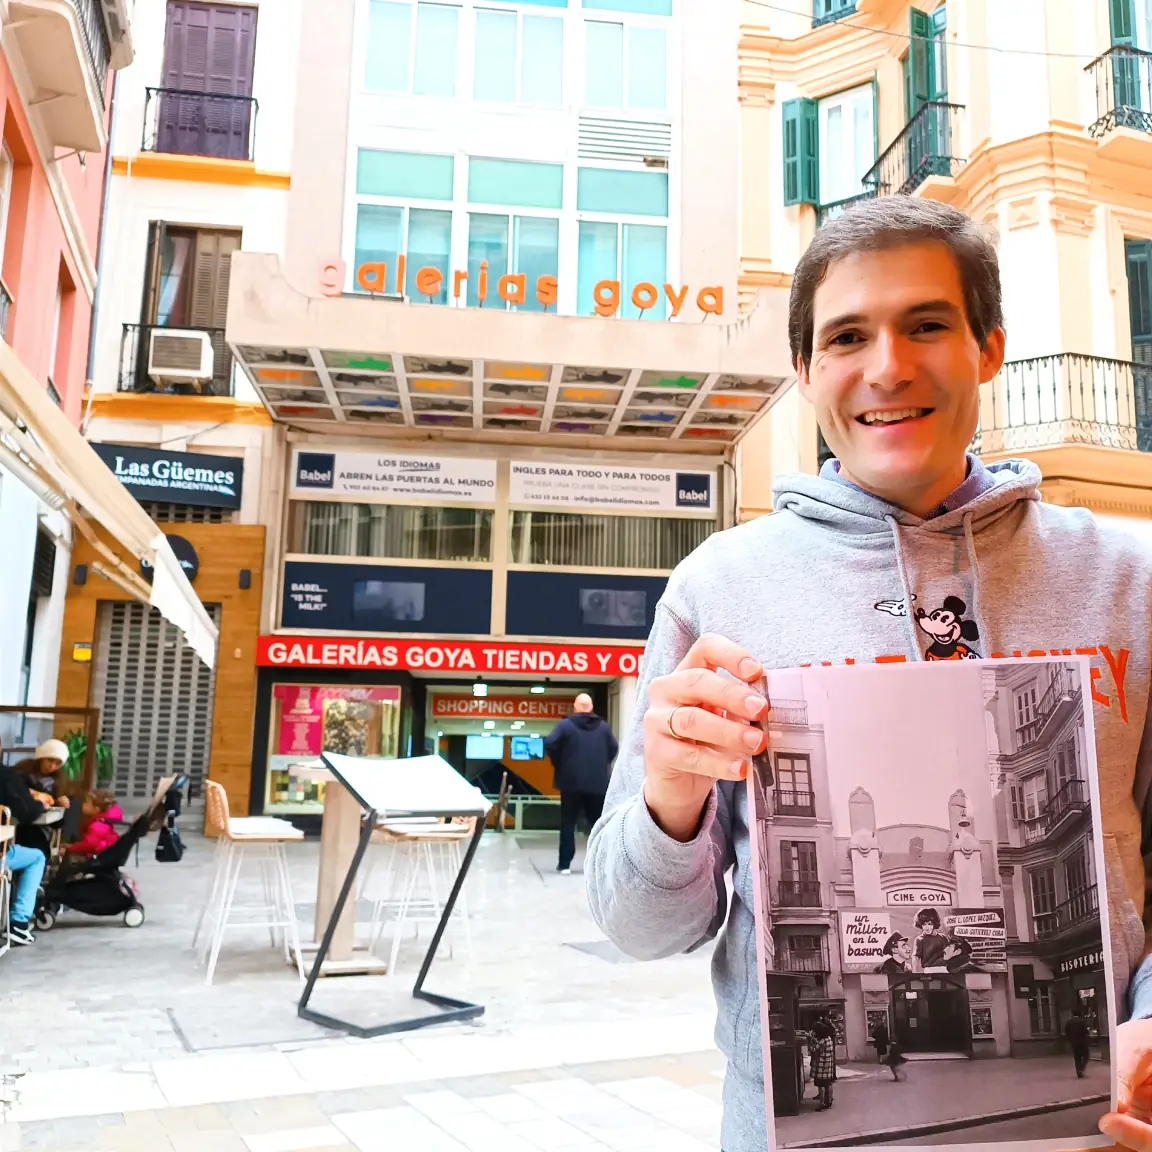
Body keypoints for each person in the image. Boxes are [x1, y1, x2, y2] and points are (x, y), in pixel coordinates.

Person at [582, 197, 1152, 1152]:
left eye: (927, 323)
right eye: (848, 336)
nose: (888, 366)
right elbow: (638, 929)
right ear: (805, 372)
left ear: (988, 346)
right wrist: (669, 798)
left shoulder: (1127, 581)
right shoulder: (717, 590)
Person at [544, 693, 618, 875]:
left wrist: (560, 763)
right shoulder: (603, 728)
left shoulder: (566, 726)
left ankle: (564, 865)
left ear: (576, 707)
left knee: (568, 822)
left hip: (570, 783)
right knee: (597, 824)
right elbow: (614, 748)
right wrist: (601, 765)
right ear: (591, 708)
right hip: (597, 783)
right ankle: (598, 865)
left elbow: (550, 743)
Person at [0, 755, 51, 945]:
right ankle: (19, 924)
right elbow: (27, 812)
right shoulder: (6, 776)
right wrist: (40, 804)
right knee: (37, 856)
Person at [66, 790, 122, 858]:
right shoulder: (102, 822)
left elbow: (89, 844)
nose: (83, 804)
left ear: (96, 809)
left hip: (95, 860)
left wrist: (69, 849)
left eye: (86, 802)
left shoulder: (98, 826)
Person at [809, 1019, 835, 1111]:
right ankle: (829, 1101)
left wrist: (811, 1042)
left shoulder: (822, 1041)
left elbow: (814, 1050)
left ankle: (822, 1103)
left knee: (821, 1085)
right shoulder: (829, 1039)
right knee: (828, 1083)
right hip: (829, 1065)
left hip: (821, 1066)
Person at [1065, 1009, 1092, 1079]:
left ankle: (1078, 1072)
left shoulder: (1068, 1023)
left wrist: (1071, 1039)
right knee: (1086, 1055)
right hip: (1082, 1042)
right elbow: (1085, 1032)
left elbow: (1066, 1033)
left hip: (1074, 1043)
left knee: (1077, 1058)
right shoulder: (1081, 1022)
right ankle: (1081, 1069)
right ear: (1079, 1014)